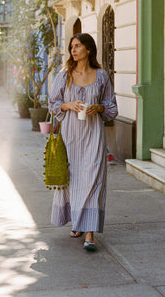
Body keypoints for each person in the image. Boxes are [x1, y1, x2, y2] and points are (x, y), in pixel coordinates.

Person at [48, 33, 118, 251]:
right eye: (72, 47)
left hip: (94, 135)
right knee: (73, 180)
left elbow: (112, 108)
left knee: (94, 180)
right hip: (70, 136)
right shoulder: (65, 75)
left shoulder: (102, 76)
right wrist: (69, 105)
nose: (73, 50)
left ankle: (89, 233)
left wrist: (98, 107)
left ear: (89, 49)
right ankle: (77, 222)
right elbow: (52, 104)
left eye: (78, 46)